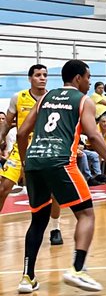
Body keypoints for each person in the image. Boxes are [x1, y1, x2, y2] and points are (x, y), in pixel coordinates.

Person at [16, 59, 106, 295]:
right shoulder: (84, 101)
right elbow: (94, 136)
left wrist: (26, 164)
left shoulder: (45, 97)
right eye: (88, 77)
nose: (89, 82)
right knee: (86, 214)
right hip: (61, 161)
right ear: (78, 78)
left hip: (34, 162)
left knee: (38, 220)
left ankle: (27, 277)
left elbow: (22, 133)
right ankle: (77, 269)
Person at [0, 64, 65, 245]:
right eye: (38, 75)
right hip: (21, 148)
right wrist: (1, 137)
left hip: (46, 148)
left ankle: (55, 229)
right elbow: (7, 123)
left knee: (54, 192)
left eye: (45, 75)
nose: (42, 78)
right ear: (30, 78)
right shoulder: (18, 98)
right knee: (3, 188)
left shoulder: (55, 98)